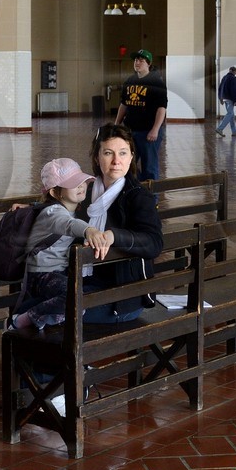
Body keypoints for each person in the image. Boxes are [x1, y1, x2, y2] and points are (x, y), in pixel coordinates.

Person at [10, 158, 106, 337]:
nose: (81, 186)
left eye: (82, 181)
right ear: (55, 192)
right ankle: (24, 319)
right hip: (41, 275)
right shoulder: (52, 213)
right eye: (73, 183)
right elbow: (67, 224)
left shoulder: (66, 206)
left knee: (77, 305)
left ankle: (51, 337)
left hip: (57, 272)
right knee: (75, 298)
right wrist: (89, 231)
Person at [80, 124, 163, 324]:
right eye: (108, 153)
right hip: (84, 282)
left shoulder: (138, 197)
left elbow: (154, 243)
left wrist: (114, 236)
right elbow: (59, 207)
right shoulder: (85, 191)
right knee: (31, 307)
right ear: (96, 157)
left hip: (123, 297)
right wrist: (34, 208)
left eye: (123, 153)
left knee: (48, 315)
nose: (117, 161)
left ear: (132, 156)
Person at [114, 48, 167, 181]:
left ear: (148, 63)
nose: (137, 62)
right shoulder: (130, 81)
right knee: (127, 164)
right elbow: (124, 104)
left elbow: (161, 108)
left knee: (149, 167)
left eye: (141, 60)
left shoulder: (156, 82)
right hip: (130, 131)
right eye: (136, 60)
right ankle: (135, 192)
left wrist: (155, 130)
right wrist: (116, 124)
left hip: (148, 132)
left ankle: (151, 198)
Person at [214, 66, 236, 137]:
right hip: (230, 98)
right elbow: (233, 90)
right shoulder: (233, 78)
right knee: (230, 113)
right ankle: (220, 128)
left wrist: (220, 98)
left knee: (231, 115)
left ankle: (234, 132)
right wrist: (235, 100)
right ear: (234, 71)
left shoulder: (224, 77)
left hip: (224, 98)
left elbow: (220, 88)